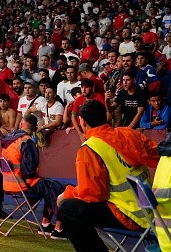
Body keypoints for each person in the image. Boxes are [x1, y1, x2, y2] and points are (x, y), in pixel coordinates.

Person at [58, 100, 160, 252]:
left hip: (126, 215)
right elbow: (157, 155)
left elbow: (93, 195)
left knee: (67, 207)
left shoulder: (89, 149)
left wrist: (67, 194)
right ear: (105, 117)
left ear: (82, 121)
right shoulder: (129, 133)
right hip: (152, 212)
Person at [1, 114, 67, 240]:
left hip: (9, 184)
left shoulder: (8, 140)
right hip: (24, 184)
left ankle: (46, 225)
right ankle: (58, 228)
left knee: (48, 185)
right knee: (57, 188)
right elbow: (29, 170)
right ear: (35, 127)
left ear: (21, 124)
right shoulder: (26, 141)